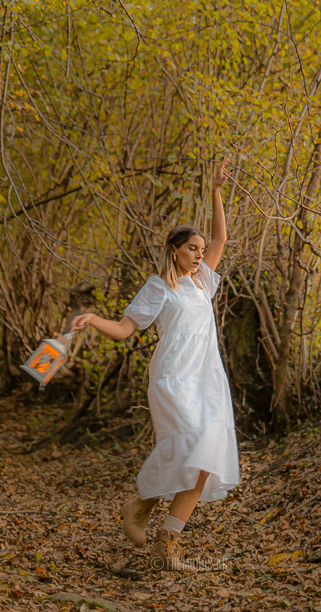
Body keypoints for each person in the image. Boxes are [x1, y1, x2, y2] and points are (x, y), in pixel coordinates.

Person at [70, 160, 239, 570]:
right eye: (192, 249)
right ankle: (140, 504)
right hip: (172, 378)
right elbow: (126, 330)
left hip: (207, 379)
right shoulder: (158, 287)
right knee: (190, 445)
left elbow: (221, 236)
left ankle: (166, 540)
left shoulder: (202, 282)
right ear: (174, 250)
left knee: (206, 459)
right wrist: (92, 319)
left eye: (201, 250)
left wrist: (215, 190)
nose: (200, 254)